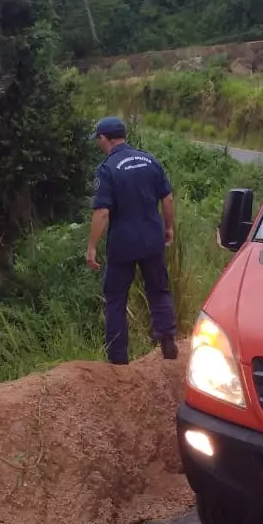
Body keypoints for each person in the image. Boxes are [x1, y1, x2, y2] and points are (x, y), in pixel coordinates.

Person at [85, 116, 179, 365]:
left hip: (123, 244)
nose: (98, 144)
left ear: (104, 138)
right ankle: (167, 338)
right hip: (152, 239)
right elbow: (167, 198)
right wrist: (168, 228)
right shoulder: (150, 161)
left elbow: (102, 212)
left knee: (116, 297)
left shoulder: (107, 169)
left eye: (98, 139)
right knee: (158, 289)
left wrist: (92, 246)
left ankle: (117, 359)